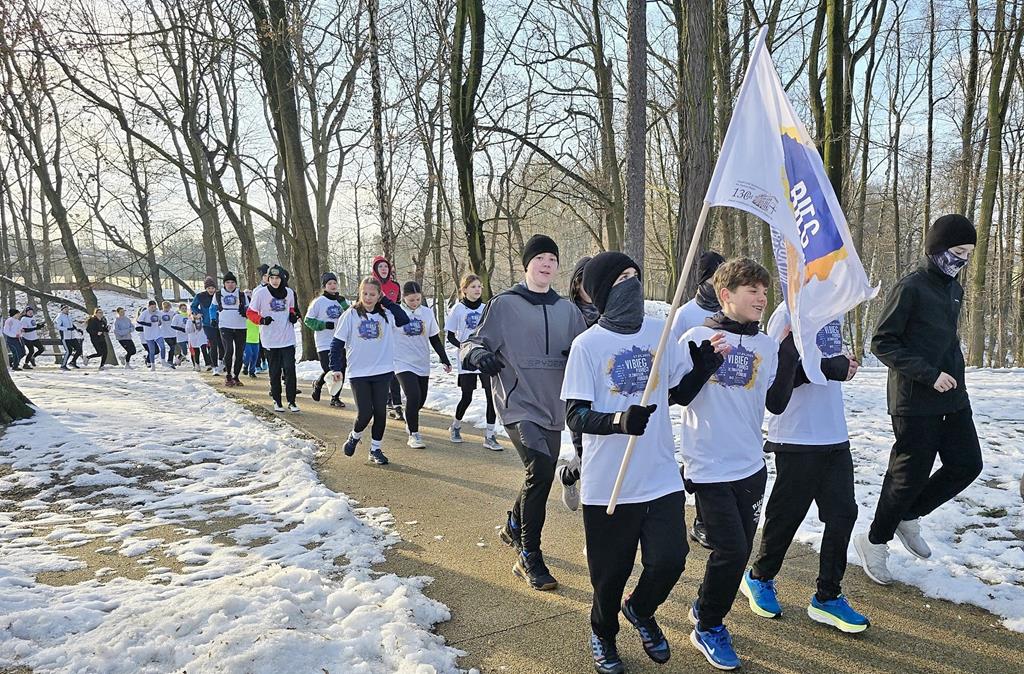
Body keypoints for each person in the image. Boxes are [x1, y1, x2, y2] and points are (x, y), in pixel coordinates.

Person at [563, 251, 727, 674]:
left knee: (671, 559)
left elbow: (677, 393)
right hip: (609, 483)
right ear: (602, 291)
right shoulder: (587, 346)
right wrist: (619, 421)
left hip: (659, 474)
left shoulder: (661, 331)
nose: (632, 283)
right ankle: (603, 633)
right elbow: (575, 415)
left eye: (636, 274)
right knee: (609, 574)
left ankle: (639, 609)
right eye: (622, 277)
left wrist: (704, 368)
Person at [676, 257, 799, 670]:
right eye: (753, 291)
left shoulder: (764, 345)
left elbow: (775, 402)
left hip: (751, 465)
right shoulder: (696, 335)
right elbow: (677, 395)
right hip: (708, 463)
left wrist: (790, 353)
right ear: (726, 295)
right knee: (730, 550)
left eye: (765, 291)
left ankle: (703, 606)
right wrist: (702, 365)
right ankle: (709, 626)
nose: (762, 298)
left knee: (739, 551)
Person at [854, 214, 983, 586]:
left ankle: (909, 515)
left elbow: (943, 341)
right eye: (958, 251)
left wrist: (953, 375)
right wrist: (929, 373)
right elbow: (882, 341)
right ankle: (874, 540)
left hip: (953, 397)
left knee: (967, 464)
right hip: (915, 399)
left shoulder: (954, 289)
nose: (962, 260)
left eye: (969, 254)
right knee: (907, 476)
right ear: (937, 249)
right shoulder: (910, 287)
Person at [461, 234, 588, 591]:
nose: (547, 264)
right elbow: (472, 342)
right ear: (526, 264)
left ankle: (514, 524)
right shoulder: (504, 304)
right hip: (517, 403)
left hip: (554, 406)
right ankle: (528, 554)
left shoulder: (569, 310)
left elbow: (587, 349)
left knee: (541, 472)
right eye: (540, 258)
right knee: (542, 469)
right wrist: (477, 356)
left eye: (552, 258)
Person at [741, 305, 869, 633]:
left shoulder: (836, 310)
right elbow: (775, 380)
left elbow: (832, 365)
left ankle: (828, 596)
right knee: (786, 517)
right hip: (795, 436)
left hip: (834, 435)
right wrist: (828, 367)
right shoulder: (788, 313)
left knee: (843, 515)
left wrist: (845, 366)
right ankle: (760, 577)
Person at [670, 250, 726, 551]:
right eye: (712, 277)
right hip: (695, 395)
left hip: (723, 393)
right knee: (699, 457)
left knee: (715, 456)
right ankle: (679, 497)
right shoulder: (686, 313)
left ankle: (703, 519)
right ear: (701, 280)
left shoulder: (731, 310)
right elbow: (674, 354)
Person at [329, 276, 410, 465]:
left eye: (372, 294)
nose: (368, 297)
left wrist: (386, 302)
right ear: (360, 293)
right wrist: (335, 367)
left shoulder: (387, 314)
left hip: (383, 370)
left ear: (379, 295)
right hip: (359, 372)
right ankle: (354, 436)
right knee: (365, 413)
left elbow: (404, 318)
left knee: (380, 412)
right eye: (364, 293)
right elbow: (337, 343)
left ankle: (375, 449)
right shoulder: (350, 315)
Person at [555, 255, 598, 512]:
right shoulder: (566, 314)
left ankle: (568, 475)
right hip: (577, 394)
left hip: (609, 392)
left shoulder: (613, 313)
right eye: (587, 282)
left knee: (602, 456)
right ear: (576, 285)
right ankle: (596, 535)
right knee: (588, 456)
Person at [446, 273, 501, 450]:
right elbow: (450, 335)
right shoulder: (458, 309)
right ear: (464, 290)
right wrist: (463, 347)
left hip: (484, 357)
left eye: (479, 286)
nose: (477, 290)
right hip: (467, 359)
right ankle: (455, 426)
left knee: (490, 397)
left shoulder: (487, 308)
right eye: (473, 287)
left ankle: (490, 436)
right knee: (467, 396)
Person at [394, 281, 452, 448]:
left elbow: (434, 337)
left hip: (421, 361)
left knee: (420, 399)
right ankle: (414, 434)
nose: (415, 303)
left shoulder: (426, 313)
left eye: (418, 299)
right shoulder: (395, 313)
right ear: (404, 298)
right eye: (411, 300)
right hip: (402, 362)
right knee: (413, 395)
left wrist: (444, 358)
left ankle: (409, 418)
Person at [247, 265, 301, 412]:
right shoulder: (261, 294)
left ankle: (292, 401)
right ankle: (277, 400)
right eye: (272, 278)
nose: (275, 281)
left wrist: (292, 316)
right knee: (275, 371)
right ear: (268, 279)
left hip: (287, 338)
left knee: (290, 369)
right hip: (270, 339)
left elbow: (291, 309)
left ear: (282, 278)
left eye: (278, 278)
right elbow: (250, 313)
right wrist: (262, 320)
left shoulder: (289, 292)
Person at [305, 272, 350, 407]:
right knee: (329, 369)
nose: (333, 286)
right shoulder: (318, 302)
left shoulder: (341, 301)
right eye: (329, 284)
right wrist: (323, 325)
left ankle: (335, 397)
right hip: (324, 342)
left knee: (340, 370)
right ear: (324, 287)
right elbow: (308, 320)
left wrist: (343, 303)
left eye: (335, 283)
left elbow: (350, 316)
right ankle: (318, 383)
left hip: (340, 341)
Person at [371, 255, 405, 420]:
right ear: (375, 269)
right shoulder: (370, 283)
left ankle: (396, 402)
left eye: (386, 266)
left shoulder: (395, 286)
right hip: (376, 327)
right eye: (380, 267)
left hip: (392, 327)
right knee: (381, 365)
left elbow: (398, 305)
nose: (384, 269)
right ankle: (383, 397)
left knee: (393, 364)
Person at [215, 271, 249, 387]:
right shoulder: (218, 294)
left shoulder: (241, 295)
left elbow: (248, 308)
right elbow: (212, 308)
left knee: (240, 353)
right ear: (224, 284)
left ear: (236, 284)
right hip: (225, 326)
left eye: (232, 282)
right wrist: (213, 318)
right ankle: (228, 375)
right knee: (229, 350)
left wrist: (245, 312)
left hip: (241, 326)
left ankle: (236, 376)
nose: (230, 284)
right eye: (228, 282)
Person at [191, 277, 222, 374]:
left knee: (222, 345)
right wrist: (198, 312)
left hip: (220, 323)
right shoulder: (200, 296)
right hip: (207, 324)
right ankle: (214, 366)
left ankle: (221, 362)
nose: (211, 290)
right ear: (206, 289)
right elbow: (193, 306)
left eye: (212, 288)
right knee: (213, 345)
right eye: (209, 288)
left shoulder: (219, 295)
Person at [137, 300, 164, 371]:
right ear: (149, 307)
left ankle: (163, 362)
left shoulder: (158, 312)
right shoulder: (145, 313)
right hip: (148, 335)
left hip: (157, 333)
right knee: (152, 351)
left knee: (162, 347)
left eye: (155, 307)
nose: (153, 309)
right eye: (152, 307)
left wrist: (160, 322)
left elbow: (163, 317)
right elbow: (139, 321)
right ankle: (152, 365)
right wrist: (148, 324)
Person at [55, 305, 83, 370]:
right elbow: (58, 327)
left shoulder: (69, 316)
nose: (67, 310)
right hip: (65, 337)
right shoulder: (59, 317)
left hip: (72, 336)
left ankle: (73, 362)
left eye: (67, 309)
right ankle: (63, 365)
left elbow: (72, 325)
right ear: (62, 310)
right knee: (68, 351)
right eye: (65, 309)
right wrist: (67, 329)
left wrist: (77, 329)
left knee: (79, 349)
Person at [242, 294, 261, 378]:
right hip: (246, 340)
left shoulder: (258, 316)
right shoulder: (244, 318)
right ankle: (245, 365)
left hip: (256, 340)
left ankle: (252, 371)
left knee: (255, 357)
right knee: (248, 355)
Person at [157, 301, 177, 368]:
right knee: (172, 346)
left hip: (173, 333)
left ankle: (174, 360)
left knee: (173, 347)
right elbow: (159, 323)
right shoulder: (160, 313)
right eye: (165, 307)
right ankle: (170, 361)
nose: (166, 309)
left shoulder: (173, 313)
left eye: (168, 307)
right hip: (165, 333)